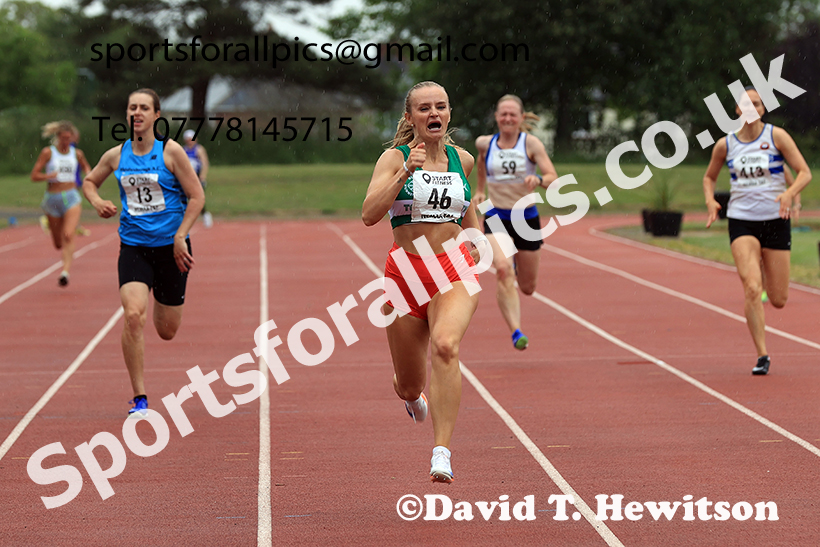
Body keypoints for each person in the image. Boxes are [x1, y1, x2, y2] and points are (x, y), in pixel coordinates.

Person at [363, 81, 487, 483]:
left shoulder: (462, 159)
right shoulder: (392, 158)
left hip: (452, 271)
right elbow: (368, 214)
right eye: (424, 108)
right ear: (410, 118)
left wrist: (476, 242)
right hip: (405, 275)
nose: (433, 114)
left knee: (447, 346)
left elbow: (468, 210)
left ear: (449, 114)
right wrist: (405, 172)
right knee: (409, 384)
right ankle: (412, 396)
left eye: (441, 107)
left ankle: (442, 452)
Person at [83, 88, 205, 415]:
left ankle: (162, 298)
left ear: (156, 116)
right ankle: (140, 397)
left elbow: (196, 197)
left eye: (143, 108)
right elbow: (89, 182)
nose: (137, 113)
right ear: (127, 115)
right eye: (132, 108)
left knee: (166, 330)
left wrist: (181, 235)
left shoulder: (172, 152)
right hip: (134, 246)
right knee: (133, 315)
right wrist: (97, 202)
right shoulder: (115, 155)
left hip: (172, 249)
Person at [703, 86, 811, 375]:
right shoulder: (725, 145)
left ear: (763, 109)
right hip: (742, 221)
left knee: (778, 299)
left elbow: (804, 172)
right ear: (738, 110)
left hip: (776, 220)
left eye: (757, 104)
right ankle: (762, 355)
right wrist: (710, 200)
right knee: (751, 288)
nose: (752, 108)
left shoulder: (776, 136)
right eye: (746, 104)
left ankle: (764, 269)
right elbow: (709, 177)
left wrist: (790, 195)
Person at [474, 95, 558, 350]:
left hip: (526, 219)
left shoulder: (531, 144)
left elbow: (553, 177)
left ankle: (519, 269)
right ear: (496, 117)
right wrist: (480, 190)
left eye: (513, 114)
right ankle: (516, 331)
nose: (508, 118)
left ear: (521, 118)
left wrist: (540, 180)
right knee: (502, 269)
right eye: (503, 114)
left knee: (528, 287)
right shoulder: (485, 144)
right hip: (496, 215)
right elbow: (480, 164)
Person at [30, 121, 92, 286]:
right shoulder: (48, 153)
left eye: (68, 138)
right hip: (52, 199)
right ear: (57, 137)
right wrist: (48, 176)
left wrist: (88, 176)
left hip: (72, 197)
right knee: (58, 243)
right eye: (63, 138)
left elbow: (87, 168)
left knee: (68, 234)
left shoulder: (77, 153)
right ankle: (49, 225)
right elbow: (34, 175)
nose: (65, 141)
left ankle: (65, 272)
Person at [182, 129, 213, 228]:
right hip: (187, 178)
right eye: (188, 139)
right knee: (186, 199)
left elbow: (205, 163)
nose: (190, 141)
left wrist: (203, 176)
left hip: (197, 177)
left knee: (198, 198)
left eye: (191, 139)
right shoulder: (183, 150)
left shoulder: (199, 149)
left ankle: (205, 215)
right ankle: (186, 219)